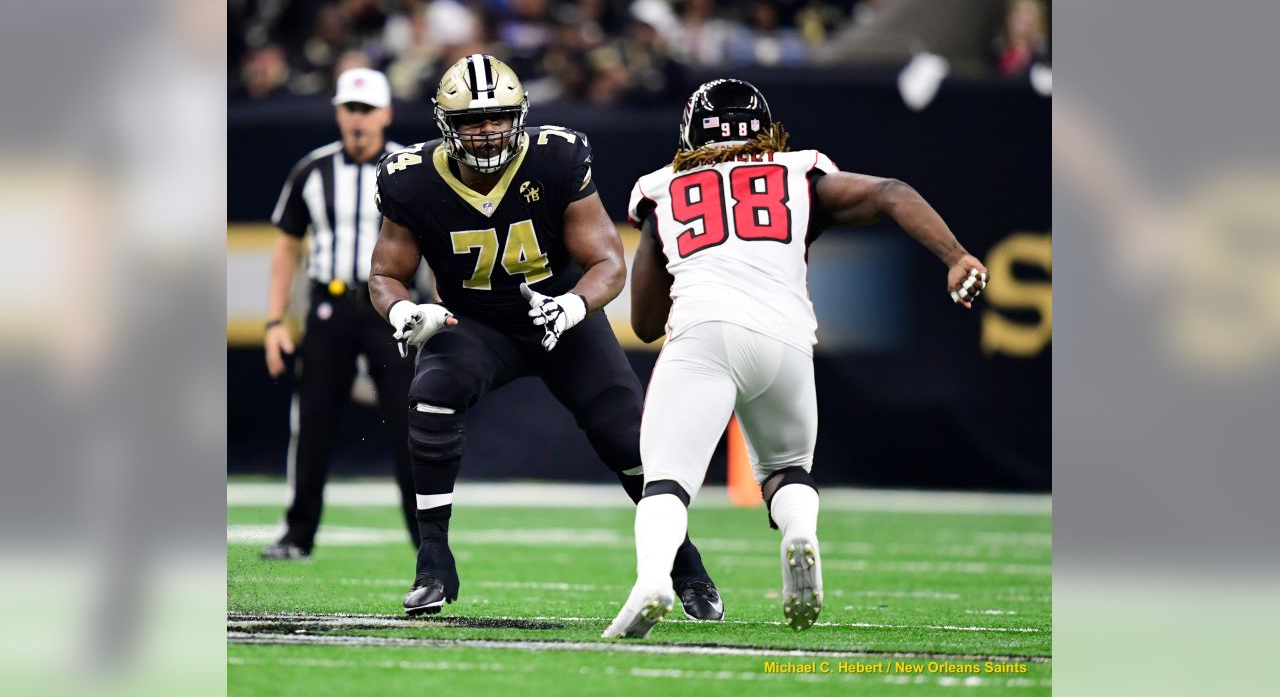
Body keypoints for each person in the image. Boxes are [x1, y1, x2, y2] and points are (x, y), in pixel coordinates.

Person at [603, 78, 989, 638]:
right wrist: (955, 256)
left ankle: (654, 578)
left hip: (705, 331)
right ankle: (799, 532)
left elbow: (642, 322)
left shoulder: (660, 187)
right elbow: (892, 192)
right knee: (787, 470)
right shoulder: (796, 171)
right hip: (786, 339)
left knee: (666, 479)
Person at [367, 54, 722, 619]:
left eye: (498, 118)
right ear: (445, 124)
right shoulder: (409, 179)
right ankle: (432, 563)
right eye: (471, 121)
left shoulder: (555, 159)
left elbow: (608, 260)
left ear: (520, 115)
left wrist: (574, 303)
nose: (486, 132)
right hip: (472, 323)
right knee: (431, 397)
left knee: (628, 439)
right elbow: (385, 274)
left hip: (557, 315)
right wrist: (403, 312)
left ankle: (685, 564)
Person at [261, 68, 420, 559]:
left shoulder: (410, 167)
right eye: (351, 109)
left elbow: (434, 242)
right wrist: (273, 322)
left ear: (386, 113)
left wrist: (436, 305)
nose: (358, 119)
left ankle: (427, 541)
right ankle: (297, 533)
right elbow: (287, 247)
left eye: (367, 109)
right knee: (312, 421)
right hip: (328, 305)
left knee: (410, 424)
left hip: (390, 308)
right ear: (337, 113)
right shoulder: (312, 169)